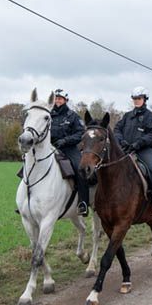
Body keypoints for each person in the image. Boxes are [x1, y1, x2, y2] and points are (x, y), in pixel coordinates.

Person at [115, 86, 152, 213]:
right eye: (134, 98)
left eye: (139, 98)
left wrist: (138, 143)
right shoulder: (127, 116)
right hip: (126, 149)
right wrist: (122, 141)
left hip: (143, 149)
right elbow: (117, 129)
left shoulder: (150, 117)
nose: (136, 101)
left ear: (145, 99)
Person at [49, 88, 89, 216]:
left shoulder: (73, 116)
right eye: (56, 98)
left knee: (80, 169)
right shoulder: (49, 114)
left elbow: (80, 133)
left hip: (69, 148)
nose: (57, 100)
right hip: (50, 147)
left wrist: (65, 141)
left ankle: (83, 202)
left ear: (66, 100)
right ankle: (26, 202)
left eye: (60, 98)